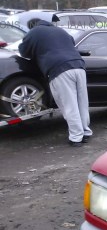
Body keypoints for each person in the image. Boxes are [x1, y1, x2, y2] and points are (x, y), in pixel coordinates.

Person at [19, 19, 91, 147]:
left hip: (59, 69)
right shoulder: (60, 30)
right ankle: (85, 132)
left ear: (32, 26)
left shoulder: (34, 32)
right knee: (82, 103)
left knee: (69, 105)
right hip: (79, 66)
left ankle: (76, 138)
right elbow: (71, 43)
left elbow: (23, 51)